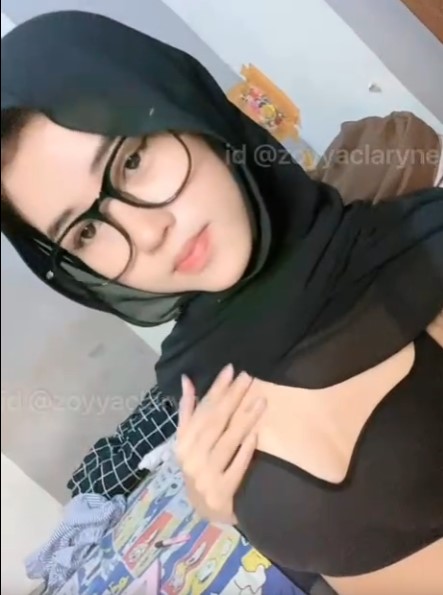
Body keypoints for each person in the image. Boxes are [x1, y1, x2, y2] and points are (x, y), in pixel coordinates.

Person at [2, 11, 442, 595]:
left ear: (185, 106)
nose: (146, 233)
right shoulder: (192, 384)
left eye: (131, 161)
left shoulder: (422, 256)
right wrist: (219, 510)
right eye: (84, 231)